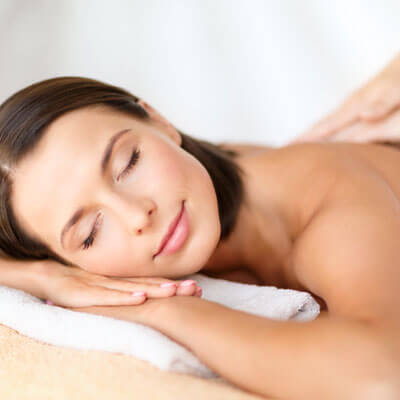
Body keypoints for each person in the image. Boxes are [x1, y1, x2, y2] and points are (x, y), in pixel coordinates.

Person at [0, 74, 400, 400]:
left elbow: (383, 377)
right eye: (89, 234)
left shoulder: (326, 204)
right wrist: (46, 278)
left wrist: (161, 311)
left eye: (129, 162)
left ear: (159, 122)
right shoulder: (201, 192)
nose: (138, 214)